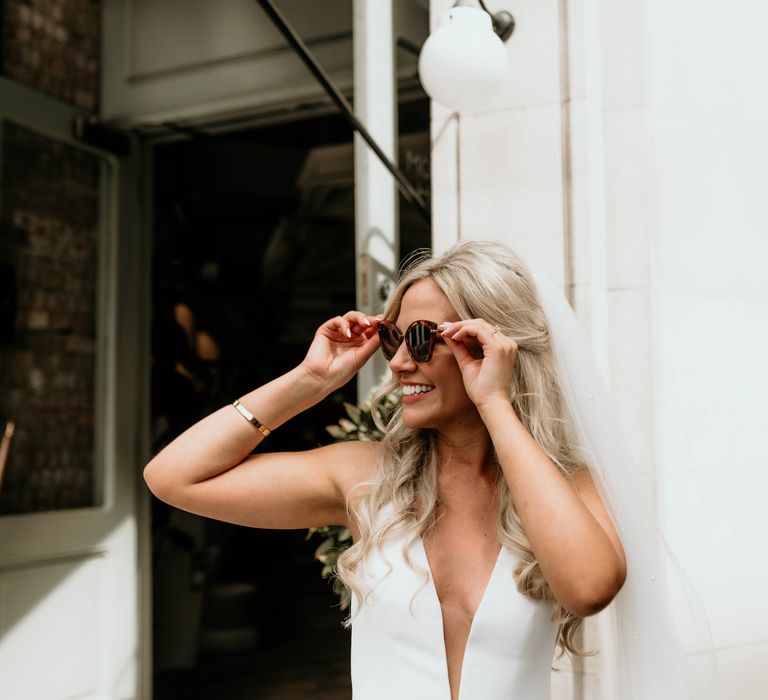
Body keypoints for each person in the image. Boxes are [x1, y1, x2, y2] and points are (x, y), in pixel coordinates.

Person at [144, 239, 719, 700]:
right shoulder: (363, 477)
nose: (397, 362)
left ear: (494, 347)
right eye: (394, 336)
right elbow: (172, 478)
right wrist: (310, 382)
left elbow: (590, 588)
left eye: (421, 338)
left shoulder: (565, 487)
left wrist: (494, 403)